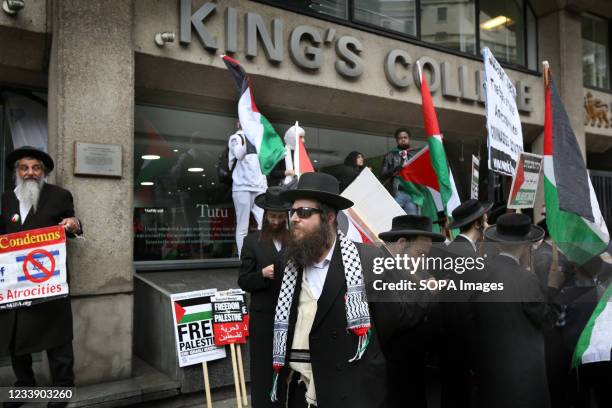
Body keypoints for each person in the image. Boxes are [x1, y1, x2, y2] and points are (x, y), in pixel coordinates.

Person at [272, 172, 420, 408]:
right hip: (300, 389)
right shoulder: (286, 264)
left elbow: (393, 323)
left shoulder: (369, 260)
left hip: (352, 391)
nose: (295, 219)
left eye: (304, 212)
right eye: (293, 212)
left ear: (329, 217)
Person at [0, 146, 82, 408]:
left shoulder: (59, 196)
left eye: (36, 168)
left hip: (49, 285)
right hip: (16, 287)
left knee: (57, 342)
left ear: (43, 172)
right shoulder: (5, 200)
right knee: (17, 342)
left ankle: (62, 390)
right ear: (17, 172)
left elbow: (73, 224)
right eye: (24, 168)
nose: (30, 173)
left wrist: (73, 225)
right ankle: (24, 388)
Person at [473, 213, 563, 408]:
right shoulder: (525, 279)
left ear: (497, 243)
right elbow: (546, 319)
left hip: (490, 371)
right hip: (521, 377)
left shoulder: (480, 274)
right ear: (526, 245)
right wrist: (554, 288)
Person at [378, 215, 445, 408]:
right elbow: (395, 319)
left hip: (411, 372)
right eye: (420, 254)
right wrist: (427, 294)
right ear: (401, 244)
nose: (423, 261)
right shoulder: (379, 270)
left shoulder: (406, 266)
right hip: (392, 381)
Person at [238, 186, 290, 408]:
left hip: (289, 317)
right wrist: (262, 274)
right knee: (262, 368)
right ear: (265, 216)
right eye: (272, 217)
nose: (276, 221)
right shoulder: (252, 242)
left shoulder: (295, 241)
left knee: (287, 368)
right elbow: (244, 280)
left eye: (280, 217)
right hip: (263, 319)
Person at [438, 199, 491, 408]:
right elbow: (465, 310)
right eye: (485, 220)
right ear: (478, 223)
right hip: (462, 349)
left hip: (450, 347)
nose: (488, 224)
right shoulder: (466, 255)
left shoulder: (456, 250)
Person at [228, 129, 267, 256]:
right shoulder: (236, 137)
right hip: (242, 186)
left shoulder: (260, 139)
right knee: (243, 225)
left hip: (259, 187)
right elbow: (239, 154)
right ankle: (242, 257)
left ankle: (262, 255)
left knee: (264, 224)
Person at [380, 127, 419, 215]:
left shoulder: (416, 155)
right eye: (400, 138)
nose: (403, 140)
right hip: (397, 193)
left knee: (413, 223)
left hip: (412, 194)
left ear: (409, 139)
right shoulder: (390, 155)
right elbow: (382, 175)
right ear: (397, 140)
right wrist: (393, 170)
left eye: (405, 137)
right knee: (393, 220)